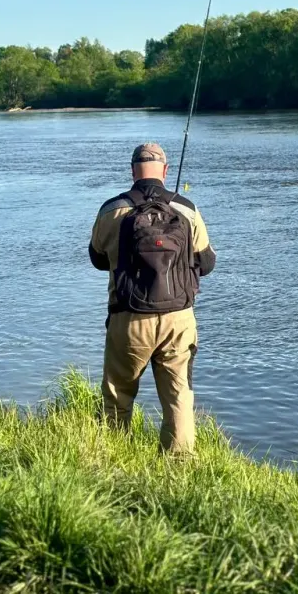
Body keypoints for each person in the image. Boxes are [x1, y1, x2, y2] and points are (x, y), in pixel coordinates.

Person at [88, 142, 216, 454]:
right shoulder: (187, 209)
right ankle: (179, 465)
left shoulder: (111, 210)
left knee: (118, 395)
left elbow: (97, 258)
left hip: (128, 318)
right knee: (178, 397)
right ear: (165, 171)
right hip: (178, 320)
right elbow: (207, 263)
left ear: (133, 171)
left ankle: (115, 458)